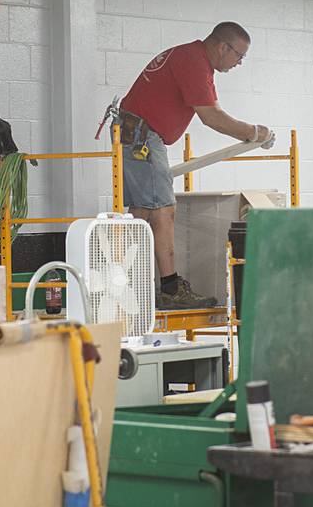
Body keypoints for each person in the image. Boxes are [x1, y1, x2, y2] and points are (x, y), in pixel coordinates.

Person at [117, 22, 274, 311]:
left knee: (141, 212)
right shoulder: (194, 61)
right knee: (163, 210)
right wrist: (254, 132)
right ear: (223, 47)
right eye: (239, 56)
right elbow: (211, 117)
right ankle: (170, 288)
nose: (239, 63)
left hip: (134, 132)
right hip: (141, 135)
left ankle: (127, 285)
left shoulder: (191, 57)